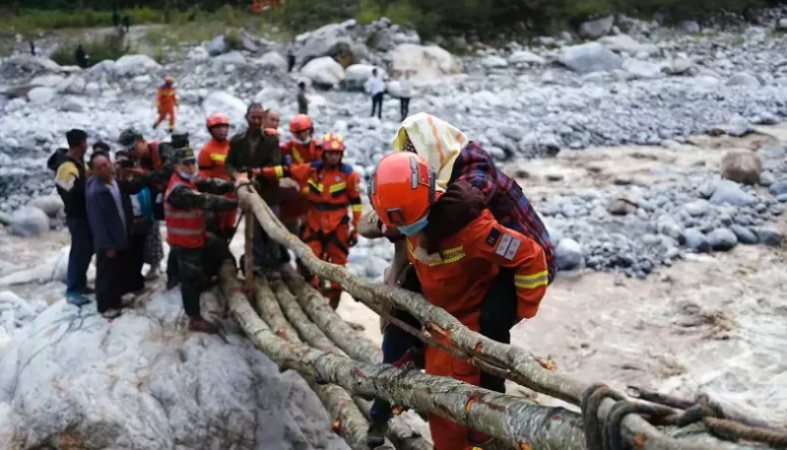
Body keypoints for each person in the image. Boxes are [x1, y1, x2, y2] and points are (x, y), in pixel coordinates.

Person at [363, 113, 556, 443]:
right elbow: (376, 217)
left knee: (491, 328)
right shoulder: (415, 183)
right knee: (400, 316)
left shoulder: (471, 176)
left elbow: (473, 208)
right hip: (462, 270)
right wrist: (392, 221)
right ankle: (384, 401)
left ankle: (491, 410)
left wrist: (520, 310)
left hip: (516, 259)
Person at [255, 133, 361, 309]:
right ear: (324, 154)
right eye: (330, 153)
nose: (333, 156)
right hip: (315, 224)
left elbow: (356, 204)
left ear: (341, 154)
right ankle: (312, 302)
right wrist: (259, 172)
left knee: (338, 268)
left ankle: (333, 306)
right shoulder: (312, 169)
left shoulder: (349, 175)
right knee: (309, 263)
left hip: (338, 227)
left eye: (336, 153)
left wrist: (355, 230)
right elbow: (286, 171)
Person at [165, 148, 238, 333]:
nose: (191, 167)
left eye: (192, 163)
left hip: (197, 237)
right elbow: (203, 200)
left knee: (220, 249)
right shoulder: (179, 190)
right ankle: (194, 319)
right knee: (189, 280)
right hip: (184, 243)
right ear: (176, 166)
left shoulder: (189, 181)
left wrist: (233, 185)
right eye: (186, 164)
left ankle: (217, 280)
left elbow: (210, 184)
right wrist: (233, 204)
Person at [225, 103, 285, 275]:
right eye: (254, 117)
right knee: (254, 231)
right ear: (247, 118)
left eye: (260, 118)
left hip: (269, 192)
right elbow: (229, 163)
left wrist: (256, 174)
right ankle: (257, 264)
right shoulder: (237, 141)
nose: (257, 121)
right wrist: (237, 176)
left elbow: (275, 164)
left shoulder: (272, 141)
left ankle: (273, 266)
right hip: (248, 193)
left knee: (273, 230)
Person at [86, 152, 144, 319]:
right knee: (106, 273)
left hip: (122, 234)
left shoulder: (115, 183)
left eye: (106, 164)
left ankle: (117, 298)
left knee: (119, 269)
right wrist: (107, 245)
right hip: (108, 240)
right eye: (100, 167)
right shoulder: (95, 192)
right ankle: (105, 306)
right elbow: (97, 223)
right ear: (94, 171)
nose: (105, 169)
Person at [54, 129, 93, 306]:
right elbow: (68, 192)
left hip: (86, 215)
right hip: (76, 216)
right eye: (85, 142)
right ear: (81, 144)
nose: (87, 145)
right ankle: (72, 290)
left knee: (86, 250)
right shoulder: (65, 168)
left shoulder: (79, 164)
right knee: (79, 251)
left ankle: (81, 284)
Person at [115, 150, 156, 288]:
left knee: (139, 253)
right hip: (125, 224)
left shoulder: (138, 182)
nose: (123, 167)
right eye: (120, 163)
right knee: (126, 254)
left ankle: (136, 279)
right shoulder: (114, 184)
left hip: (141, 221)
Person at [278, 114, 321, 236]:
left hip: (313, 187)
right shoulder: (291, 146)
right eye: (297, 133)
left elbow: (319, 167)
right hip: (297, 188)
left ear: (310, 130)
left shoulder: (318, 147)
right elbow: (277, 152)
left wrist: (294, 170)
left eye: (303, 132)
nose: (301, 136)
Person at [198, 113, 237, 243]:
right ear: (211, 130)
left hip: (233, 196)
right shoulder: (206, 151)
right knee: (216, 231)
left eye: (224, 127)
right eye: (218, 127)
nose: (222, 130)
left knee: (229, 228)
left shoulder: (233, 147)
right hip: (217, 199)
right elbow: (204, 178)